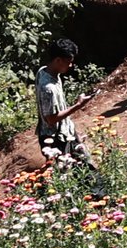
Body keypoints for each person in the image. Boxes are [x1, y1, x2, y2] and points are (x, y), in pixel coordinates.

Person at [36, 38, 94, 166]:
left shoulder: (44, 71)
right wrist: (78, 105)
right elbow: (51, 119)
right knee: (67, 175)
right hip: (55, 139)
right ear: (58, 60)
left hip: (66, 132)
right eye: (68, 62)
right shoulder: (48, 88)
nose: (70, 65)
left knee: (86, 167)